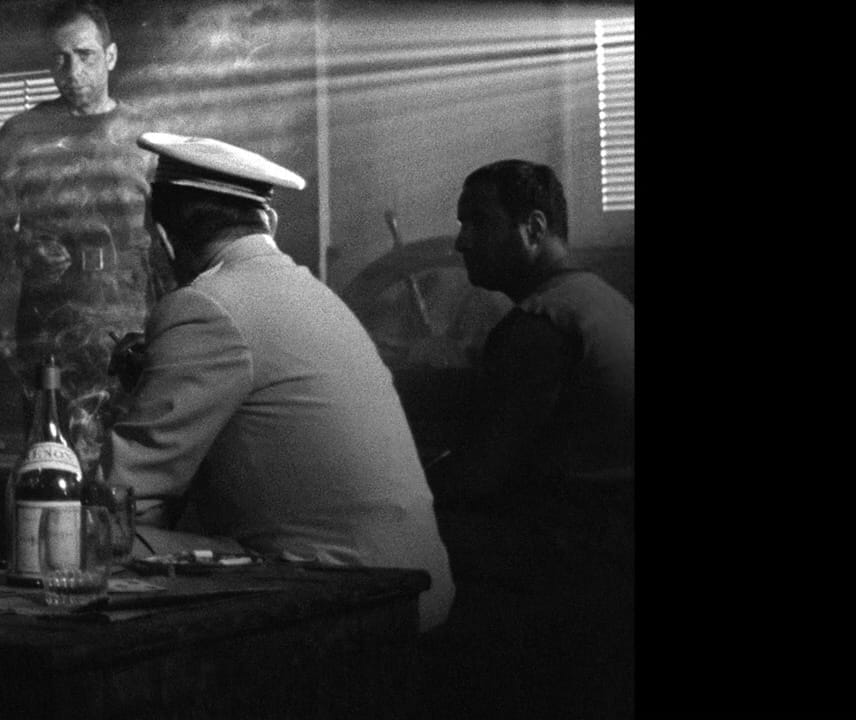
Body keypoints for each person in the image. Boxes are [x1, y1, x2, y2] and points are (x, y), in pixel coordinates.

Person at [103, 132, 453, 632]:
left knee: (80, 537)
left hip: (338, 595)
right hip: (414, 586)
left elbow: (124, 498)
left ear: (162, 238)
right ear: (268, 222)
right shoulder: (316, 294)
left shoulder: (204, 305)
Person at [422, 160, 635, 719]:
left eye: (478, 221)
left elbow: (479, 476)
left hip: (578, 558)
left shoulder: (541, 323)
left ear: (534, 229)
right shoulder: (599, 300)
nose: (461, 241)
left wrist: (408, 484)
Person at [0, 0, 170, 440]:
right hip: (48, 322)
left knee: (127, 450)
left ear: (110, 56)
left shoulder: (147, 136)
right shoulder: (23, 133)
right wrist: (24, 249)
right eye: (60, 59)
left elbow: (169, 238)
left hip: (128, 322)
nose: (73, 71)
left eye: (85, 56)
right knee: (48, 447)